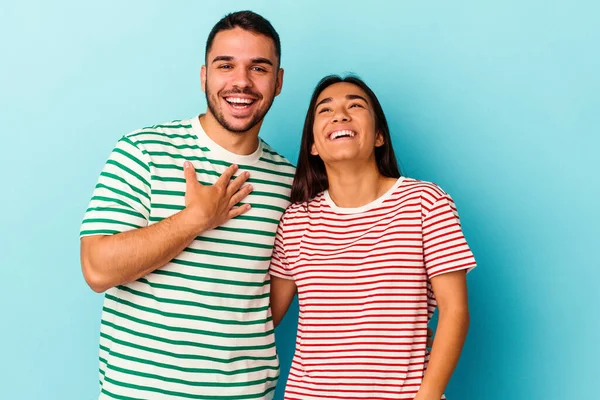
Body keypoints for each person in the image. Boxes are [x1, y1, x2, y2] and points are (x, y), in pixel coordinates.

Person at [80, 11, 294, 400]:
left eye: (258, 68)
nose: (241, 81)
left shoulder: (289, 183)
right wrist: (194, 219)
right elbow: (96, 269)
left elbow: (267, 307)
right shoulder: (143, 150)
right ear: (204, 76)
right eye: (225, 65)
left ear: (278, 82)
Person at [269, 75, 476, 399]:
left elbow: (455, 311)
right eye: (325, 110)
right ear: (312, 145)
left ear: (379, 135)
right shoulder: (296, 221)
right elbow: (264, 314)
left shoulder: (425, 202)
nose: (340, 115)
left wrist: (428, 395)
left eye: (355, 105)